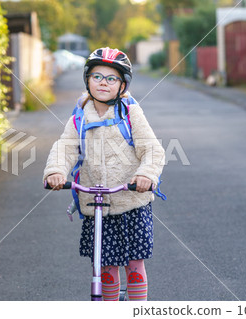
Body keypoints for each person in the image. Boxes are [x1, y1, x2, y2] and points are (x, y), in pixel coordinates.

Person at [43, 47, 165, 301]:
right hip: (97, 205)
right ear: (87, 79)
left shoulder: (129, 112)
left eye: (111, 78)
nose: (103, 83)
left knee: (134, 265)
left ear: (122, 86)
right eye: (97, 76)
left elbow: (152, 150)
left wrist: (146, 175)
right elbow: (65, 147)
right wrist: (55, 171)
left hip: (131, 201)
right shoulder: (80, 116)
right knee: (105, 267)